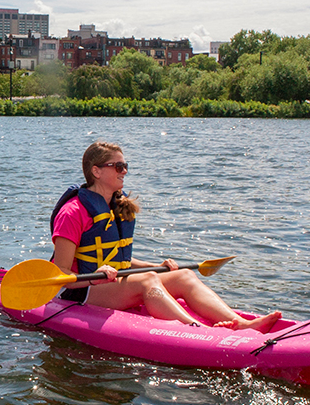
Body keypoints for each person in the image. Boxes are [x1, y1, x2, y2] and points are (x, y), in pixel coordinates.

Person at [51, 140, 282, 332]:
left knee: (183, 275)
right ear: (96, 171)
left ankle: (241, 324)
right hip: (78, 290)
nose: (125, 171)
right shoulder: (72, 212)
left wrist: (156, 265)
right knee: (147, 280)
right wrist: (96, 276)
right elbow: (61, 272)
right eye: (118, 166)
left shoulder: (114, 206)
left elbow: (117, 258)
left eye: (125, 165)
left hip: (109, 281)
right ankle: (197, 331)